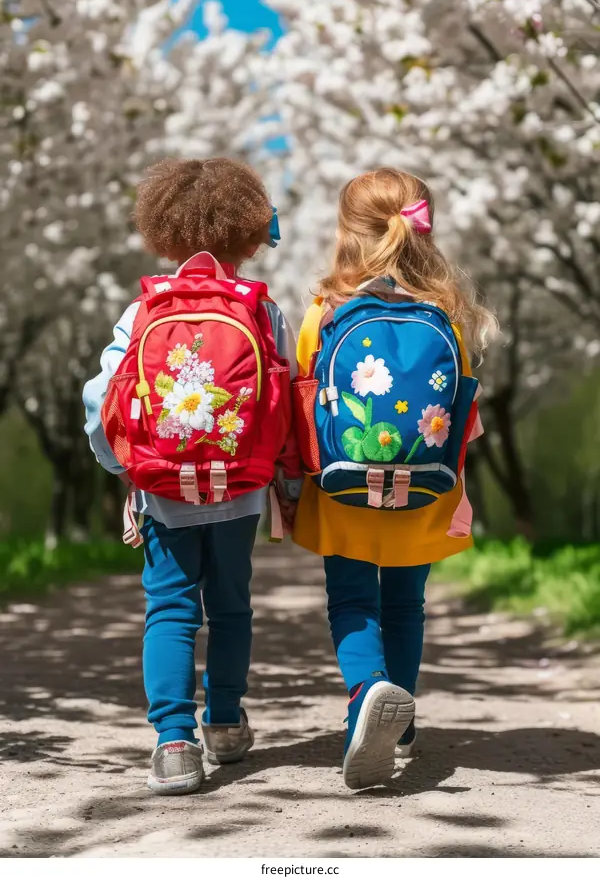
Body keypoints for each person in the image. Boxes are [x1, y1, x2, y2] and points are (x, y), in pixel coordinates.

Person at [83, 157, 301, 795]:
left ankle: (174, 743)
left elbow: (102, 403)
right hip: (240, 492)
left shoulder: (141, 311)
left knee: (171, 611)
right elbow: (285, 404)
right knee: (232, 609)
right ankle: (226, 724)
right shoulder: (263, 312)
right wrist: (284, 482)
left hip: (164, 491)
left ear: (162, 229)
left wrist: (123, 466)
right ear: (249, 233)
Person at [292, 168, 495, 789]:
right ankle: (401, 726)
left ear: (346, 233)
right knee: (406, 604)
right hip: (423, 489)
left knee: (353, 601)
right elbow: (467, 420)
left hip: (345, 484)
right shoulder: (447, 320)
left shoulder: (325, 314)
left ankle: (365, 701)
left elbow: (304, 405)